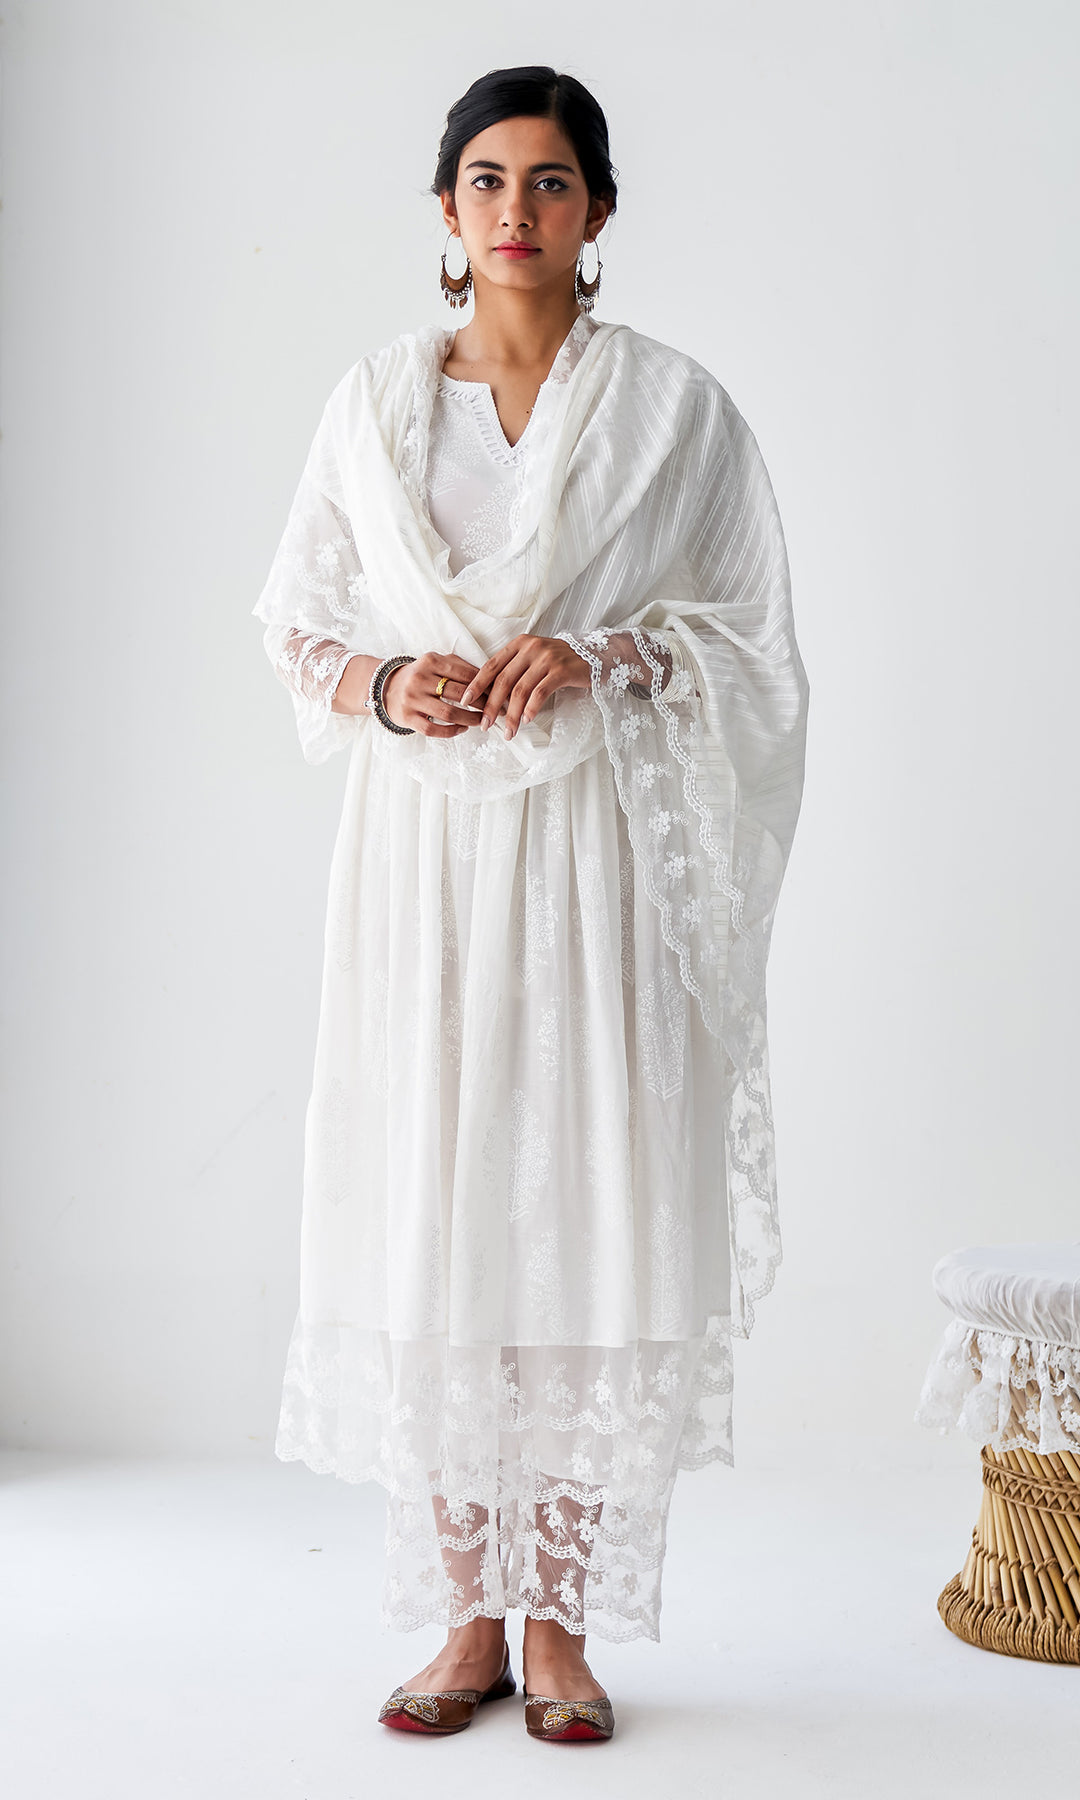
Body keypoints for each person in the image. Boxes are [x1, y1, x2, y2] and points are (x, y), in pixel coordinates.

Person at [252, 64, 810, 1744]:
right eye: (487, 180)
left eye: (551, 180)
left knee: (577, 1210)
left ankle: (558, 1629)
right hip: (419, 870)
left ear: (599, 210)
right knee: (436, 1203)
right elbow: (292, 617)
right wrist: (380, 684)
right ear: (446, 211)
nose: (517, 209)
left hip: (591, 861)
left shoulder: (674, 415)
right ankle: (463, 1624)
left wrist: (607, 651)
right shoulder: (373, 408)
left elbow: (752, 641)